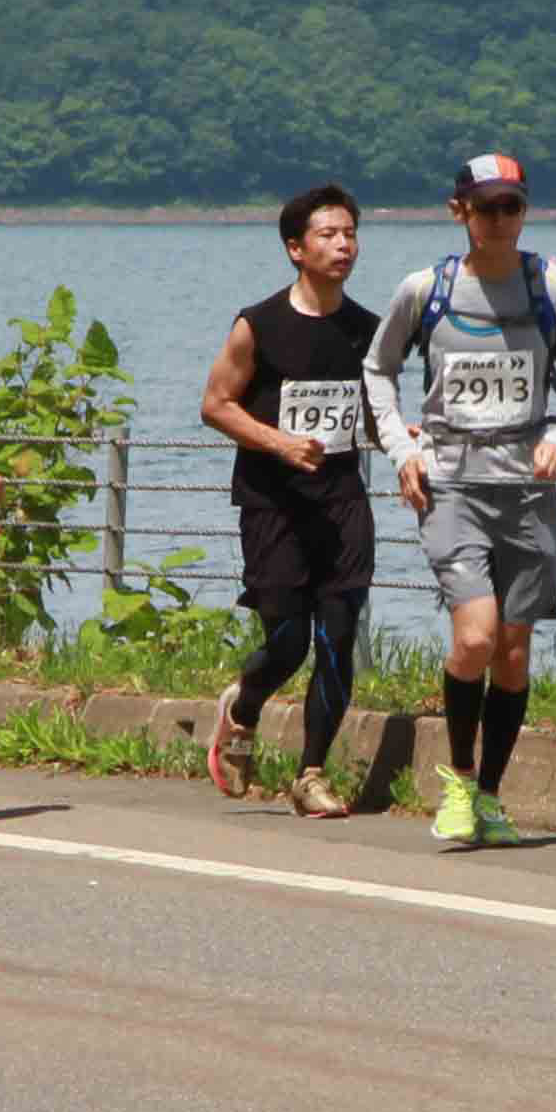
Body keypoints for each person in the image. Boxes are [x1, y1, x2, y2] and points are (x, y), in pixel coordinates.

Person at [360, 153, 556, 849]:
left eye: (511, 206)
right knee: (474, 637)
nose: (499, 219)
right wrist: (402, 451)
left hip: (527, 489)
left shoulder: (555, 289)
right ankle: (460, 781)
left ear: (524, 211)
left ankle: (492, 795)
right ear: (458, 210)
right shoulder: (426, 290)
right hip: (450, 484)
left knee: (513, 652)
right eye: (486, 206)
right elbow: (377, 370)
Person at [199, 184, 379, 817]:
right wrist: (279, 443)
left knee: (337, 636)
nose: (343, 245)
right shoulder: (259, 325)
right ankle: (243, 707)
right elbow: (215, 405)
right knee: (288, 642)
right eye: (329, 235)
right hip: (273, 503)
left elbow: (372, 414)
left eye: (350, 233)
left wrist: (404, 440)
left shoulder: (367, 330)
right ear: (296, 249)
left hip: (342, 503)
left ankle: (311, 774)